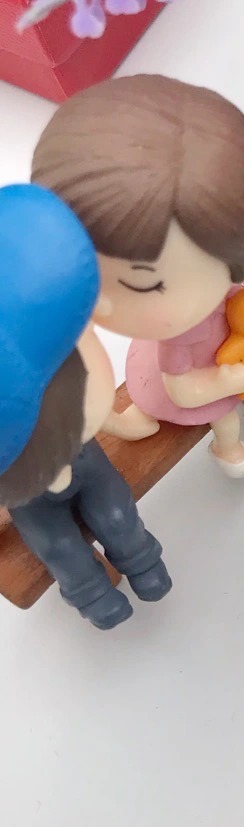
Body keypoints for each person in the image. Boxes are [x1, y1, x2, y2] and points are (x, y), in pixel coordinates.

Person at [31, 74, 244, 480]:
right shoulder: (178, 337)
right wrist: (227, 381)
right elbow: (183, 390)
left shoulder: (235, 282)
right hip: (195, 378)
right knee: (225, 421)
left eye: (144, 285)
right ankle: (225, 448)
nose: (98, 302)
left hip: (237, 352)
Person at [0, 185, 171, 630]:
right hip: (29, 498)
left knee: (117, 514)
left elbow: (100, 412)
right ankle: (93, 596)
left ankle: (143, 561)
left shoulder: (60, 386)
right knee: (59, 548)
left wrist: (130, 424)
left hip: (85, 463)